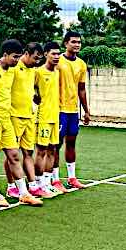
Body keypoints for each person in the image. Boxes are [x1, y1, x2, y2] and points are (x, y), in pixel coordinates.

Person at [0, 39, 42, 207]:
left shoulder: (12, 70)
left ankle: (24, 193)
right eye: (14, 57)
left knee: (14, 155)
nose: (17, 60)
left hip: (7, 118)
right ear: (5, 55)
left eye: (19, 57)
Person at [8, 42, 51, 200]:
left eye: (40, 59)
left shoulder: (33, 71)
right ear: (26, 53)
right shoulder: (14, 67)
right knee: (12, 153)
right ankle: (11, 186)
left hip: (29, 116)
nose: (37, 61)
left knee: (28, 152)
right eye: (35, 58)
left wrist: (35, 97)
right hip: (14, 115)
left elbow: (29, 89)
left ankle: (32, 185)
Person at [54, 31, 91, 189]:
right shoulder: (57, 61)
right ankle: (54, 180)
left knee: (71, 143)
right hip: (58, 109)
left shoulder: (81, 64)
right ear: (65, 43)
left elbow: (81, 89)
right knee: (56, 145)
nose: (77, 45)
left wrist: (86, 111)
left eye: (79, 42)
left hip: (73, 110)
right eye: (73, 42)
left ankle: (71, 178)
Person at [34, 41, 63, 197]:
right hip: (43, 117)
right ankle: (38, 184)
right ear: (45, 54)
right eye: (53, 53)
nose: (57, 56)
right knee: (42, 151)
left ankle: (47, 182)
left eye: (58, 54)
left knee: (53, 149)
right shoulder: (38, 72)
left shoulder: (57, 72)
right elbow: (29, 89)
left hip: (55, 116)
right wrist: (35, 97)